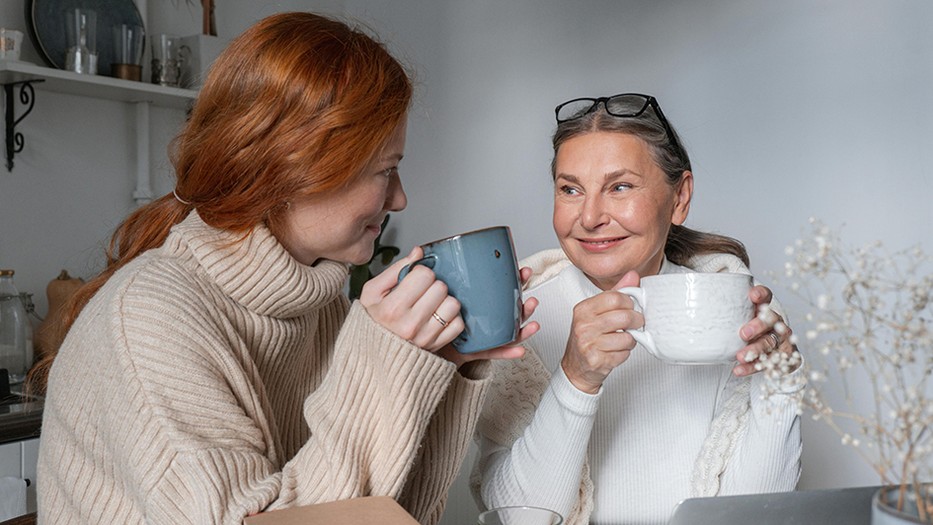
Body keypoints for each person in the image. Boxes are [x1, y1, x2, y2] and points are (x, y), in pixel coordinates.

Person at [31, 12, 537, 525]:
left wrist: (439, 369)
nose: (400, 199)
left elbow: (393, 515)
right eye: (386, 170)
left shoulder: (317, 308)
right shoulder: (150, 318)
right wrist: (379, 361)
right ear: (296, 168)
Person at [471, 93, 803, 525]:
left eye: (620, 187)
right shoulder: (522, 317)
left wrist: (778, 385)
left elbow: (757, 515)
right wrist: (576, 379)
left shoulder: (739, 314)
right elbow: (517, 518)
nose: (589, 217)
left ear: (679, 197)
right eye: (570, 189)